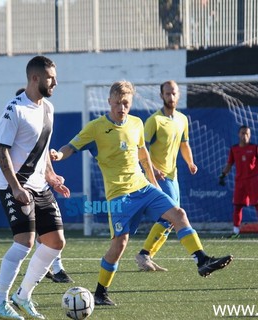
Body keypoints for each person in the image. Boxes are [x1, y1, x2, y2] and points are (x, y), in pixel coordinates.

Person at [50, 80, 233, 306]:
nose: (121, 107)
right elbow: (71, 147)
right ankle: (100, 293)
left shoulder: (136, 123)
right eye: (117, 103)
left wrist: (154, 184)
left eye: (125, 103)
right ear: (109, 102)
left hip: (144, 188)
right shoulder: (96, 128)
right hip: (119, 196)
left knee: (179, 214)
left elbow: (144, 156)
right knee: (119, 245)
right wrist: (58, 155)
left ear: (130, 103)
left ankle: (202, 260)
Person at [0, 55, 71, 320]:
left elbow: (43, 149)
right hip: (15, 186)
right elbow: (0, 150)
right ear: (35, 78)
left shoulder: (49, 108)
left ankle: (22, 297)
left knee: (56, 242)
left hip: (39, 186)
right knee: (25, 242)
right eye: (50, 77)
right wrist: (15, 188)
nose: (55, 82)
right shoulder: (14, 109)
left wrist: (52, 176)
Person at [135, 80, 198, 272]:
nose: (171, 97)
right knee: (172, 216)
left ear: (179, 95)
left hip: (173, 176)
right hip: (158, 178)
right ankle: (144, 254)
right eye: (167, 94)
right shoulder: (154, 121)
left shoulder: (182, 119)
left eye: (174, 93)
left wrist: (190, 162)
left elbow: (184, 144)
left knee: (171, 220)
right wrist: (152, 169)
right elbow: (140, 149)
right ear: (161, 96)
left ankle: (146, 255)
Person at [219, 125, 258, 239]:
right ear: (238, 134)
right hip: (240, 182)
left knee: (257, 205)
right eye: (242, 133)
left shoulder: (254, 148)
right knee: (237, 206)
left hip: (253, 181)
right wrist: (223, 175)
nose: (244, 136)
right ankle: (236, 232)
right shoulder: (234, 149)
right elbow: (230, 164)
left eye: (247, 133)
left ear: (250, 135)